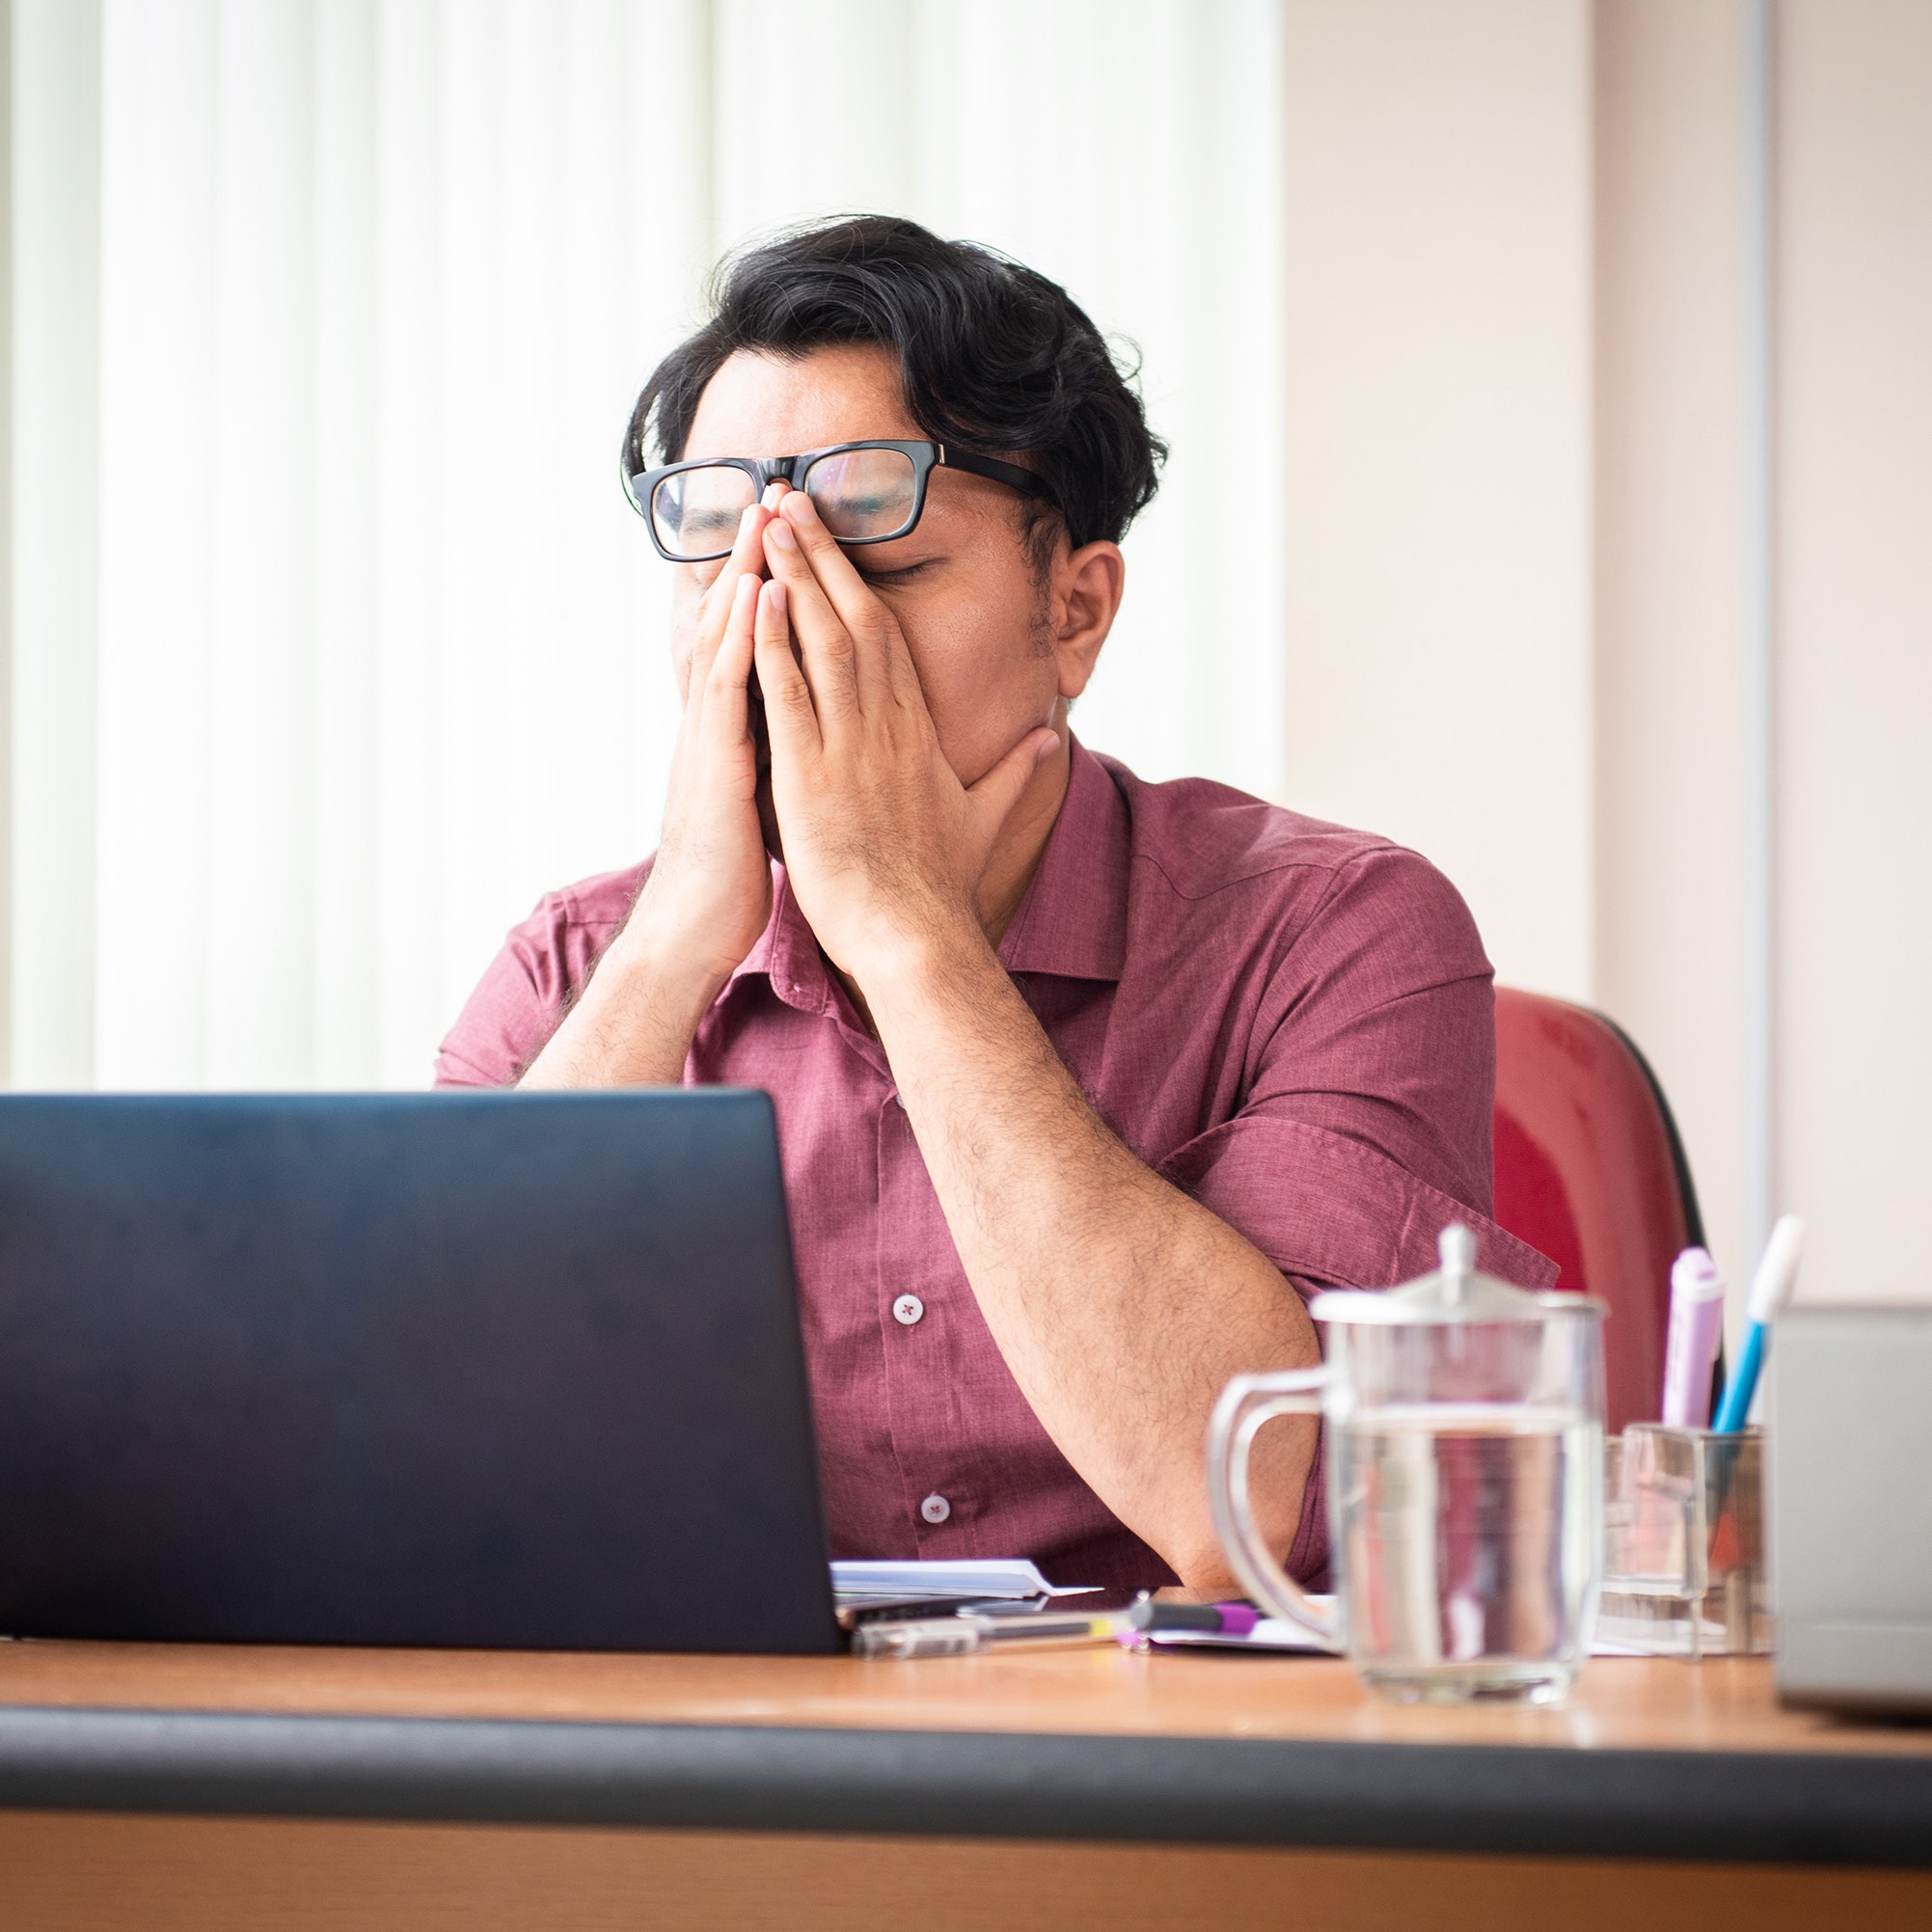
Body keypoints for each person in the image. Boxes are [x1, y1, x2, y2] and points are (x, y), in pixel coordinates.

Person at [436, 215, 1553, 1592]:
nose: (778, 619)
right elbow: (409, 1459)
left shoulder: (1339, 935)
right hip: (715, 1774)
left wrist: (909, 936)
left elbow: (1274, 1511)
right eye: (723, 554)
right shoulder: (574, 967)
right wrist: (674, 938)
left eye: (877, 564)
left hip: (1173, 1778)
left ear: (1075, 612)